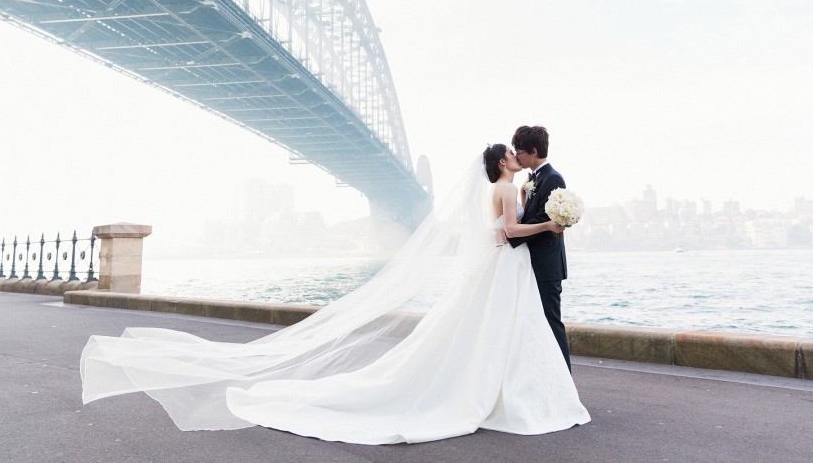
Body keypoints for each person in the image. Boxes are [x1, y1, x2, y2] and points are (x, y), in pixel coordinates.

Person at [80, 146, 590, 444]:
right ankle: (511, 392)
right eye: (509, 155)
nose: (514, 158)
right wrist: (547, 221)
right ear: (502, 162)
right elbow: (504, 232)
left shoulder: (510, 188)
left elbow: (505, 224)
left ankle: (510, 386)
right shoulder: (503, 190)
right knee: (497, 329)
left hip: (504, 271)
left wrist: (532, 209)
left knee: (494, 330)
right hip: (505, 261)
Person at [507, 125, 572, 370]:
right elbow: (536, 214)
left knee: (551, 322)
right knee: (537, 323)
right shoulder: (533, 179)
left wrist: (511, 233)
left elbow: (545, 219)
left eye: (520, 151)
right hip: (534, 263)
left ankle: (565, 379)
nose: (517, 156)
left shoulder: (552, 178)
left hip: (546, 265)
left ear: (533, 151)